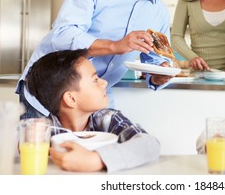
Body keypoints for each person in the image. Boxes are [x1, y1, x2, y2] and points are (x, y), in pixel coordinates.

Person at [17, 0, 176, 119]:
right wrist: (115, 46)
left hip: (95, 98)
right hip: (50, 89)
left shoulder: (159, 12)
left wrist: (161, 74)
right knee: (43, 150)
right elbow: (63, 34)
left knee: (105, 147)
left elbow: (157, 61)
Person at [25, 49, 160, 173]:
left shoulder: (108, 119)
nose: (104, 83)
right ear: (71, 98)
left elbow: (150, 145)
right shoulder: (43, 129)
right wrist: (27, 139)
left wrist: (96, 160)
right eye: (95, 80)